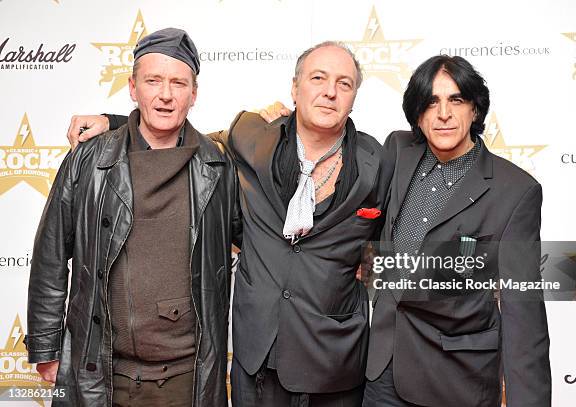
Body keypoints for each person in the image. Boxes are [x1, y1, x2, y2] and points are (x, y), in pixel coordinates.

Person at [66, 41, 394, 407]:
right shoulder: (252, 135)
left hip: (335, 364)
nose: (330, 91)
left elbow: (386, 257)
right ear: (294, 88)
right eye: (318, 78)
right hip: (256, 364)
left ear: (354, 96)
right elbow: (179, 142)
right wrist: (115, 124)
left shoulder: (377, 162)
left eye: (344, 83)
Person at [26, 28, 241, 407]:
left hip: (187, 378)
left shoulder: (219, 167)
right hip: (102, 373)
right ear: (132, 86)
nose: (165, 94)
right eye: (153, 80)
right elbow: (50, 256)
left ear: (194, 93)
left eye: (178, 83)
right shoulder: (89, 160)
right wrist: (45, 345)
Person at [364, 55, 551, 407]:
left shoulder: (515, 191)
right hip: (383, 373)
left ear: (475, 110)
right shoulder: (398, 152)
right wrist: (280, 123)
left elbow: (522, 315)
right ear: (417, 114)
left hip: (456, 380)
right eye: (431, 102)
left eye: (456, 100)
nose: (443, 114)